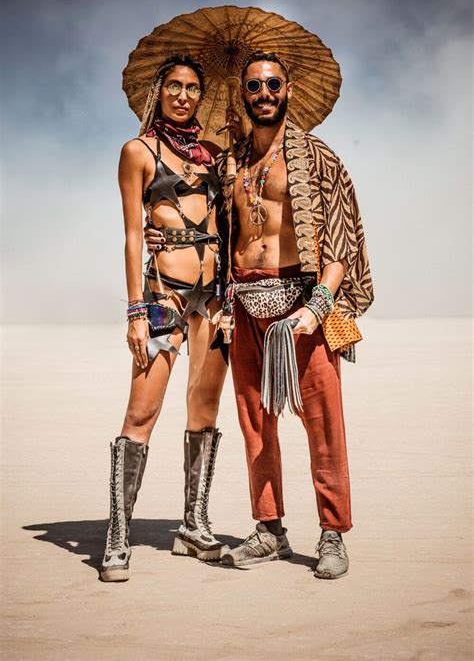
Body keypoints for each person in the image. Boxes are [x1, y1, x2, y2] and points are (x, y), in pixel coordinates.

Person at [146, 51, 374, 579]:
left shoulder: (319, 158)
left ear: (288, 89)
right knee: (255, 424)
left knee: (323, 425)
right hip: (245, 306)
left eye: (273, 84)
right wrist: (165, 235)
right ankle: (269, 530)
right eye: (254, 86)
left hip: (302, 305)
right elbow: (196, 216)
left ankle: (333, 534)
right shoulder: (231, 162)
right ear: (243, 94)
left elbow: (340, 243)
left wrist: (319, 306)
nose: (264, 94)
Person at [100, 55, 230, 583]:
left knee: (204, 411)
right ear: (159, 91)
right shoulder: (138, 152)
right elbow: (134, 234)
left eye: (192, 88)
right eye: (174, 86)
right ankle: (117, 534)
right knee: (141, 414)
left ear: (202, 95)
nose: (183, 95)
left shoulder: (216, 158)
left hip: (215, 302)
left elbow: (230, 227)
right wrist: (135, 311)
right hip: (163, 297)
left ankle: (193, 525)